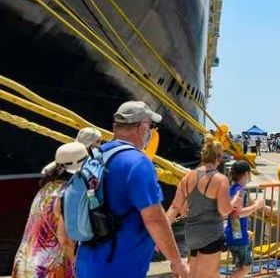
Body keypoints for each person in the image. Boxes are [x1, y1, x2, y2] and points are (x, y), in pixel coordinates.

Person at [76, 101, 188, 278]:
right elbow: (155, 219)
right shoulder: (138, 163)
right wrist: (177, 262)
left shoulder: (94, 157)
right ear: (142, 128)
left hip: (86, 263)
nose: (151, 131)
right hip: (118, 268)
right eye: (151, 126)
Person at [12, 142, 87, 278]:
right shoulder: (67, 195)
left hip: (25, 265)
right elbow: (65, 241)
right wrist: (83, 269)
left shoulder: (46, 188)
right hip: (48, 270)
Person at [166, 136, 238, 278]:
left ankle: (179, 269)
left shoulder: (187, 177)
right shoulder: (220, 179)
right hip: (211, 235)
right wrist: (234, 201)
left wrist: (160, 234)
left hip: (191, 235)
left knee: (197, 274)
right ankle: (178, 269)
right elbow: (224, 210)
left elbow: (176, 207)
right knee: (207, 275)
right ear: (218, 159)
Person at [226, 160, 266, 278]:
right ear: (246, 174)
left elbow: (233, 214)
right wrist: (257, 205)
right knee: (246, 267)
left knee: (239, 267)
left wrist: (243, 231)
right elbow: (237, 214)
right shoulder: (240, 191)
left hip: (235, 233)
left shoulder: (232, 189)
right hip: (238, 236)